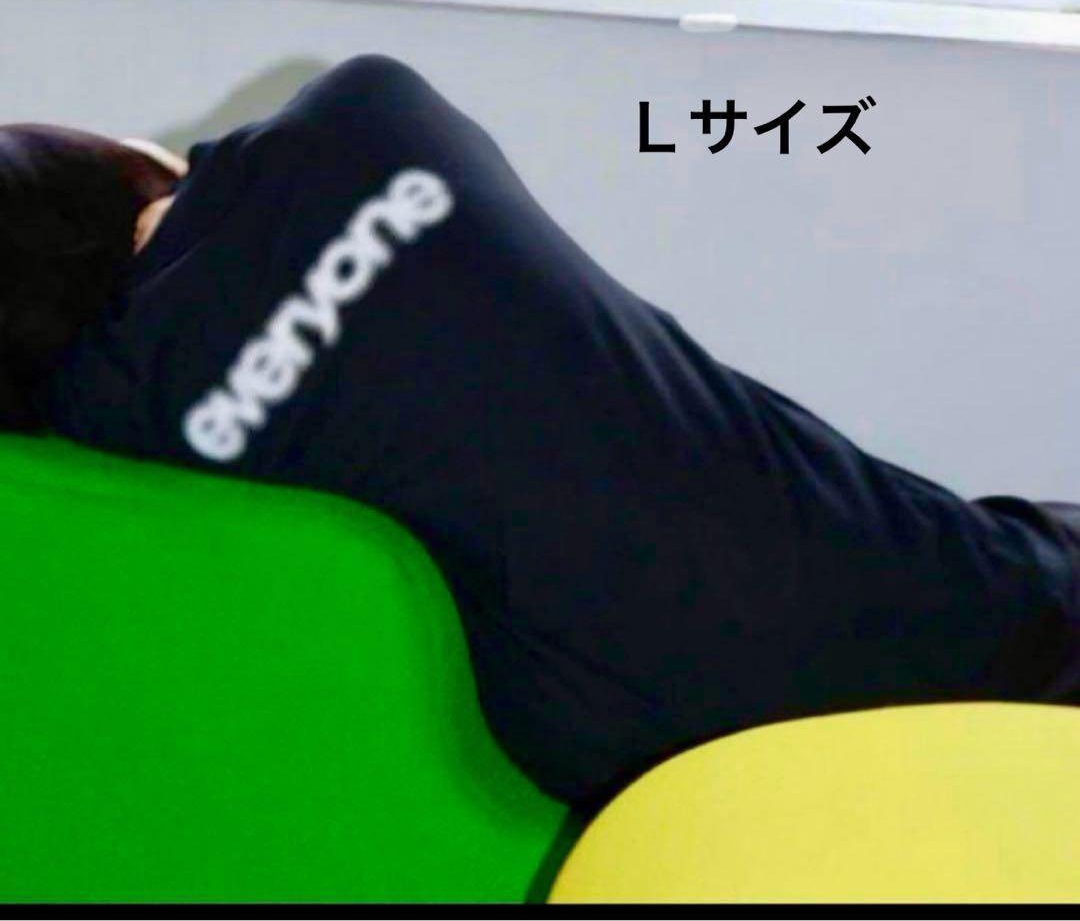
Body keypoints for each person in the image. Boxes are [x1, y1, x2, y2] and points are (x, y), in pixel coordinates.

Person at [2, 55, 1079, 807]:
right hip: (887, 596)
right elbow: (261, 161)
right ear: (125, 168)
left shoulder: (109, 416)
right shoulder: (364, 127)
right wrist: (171, 188)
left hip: (607, 733)